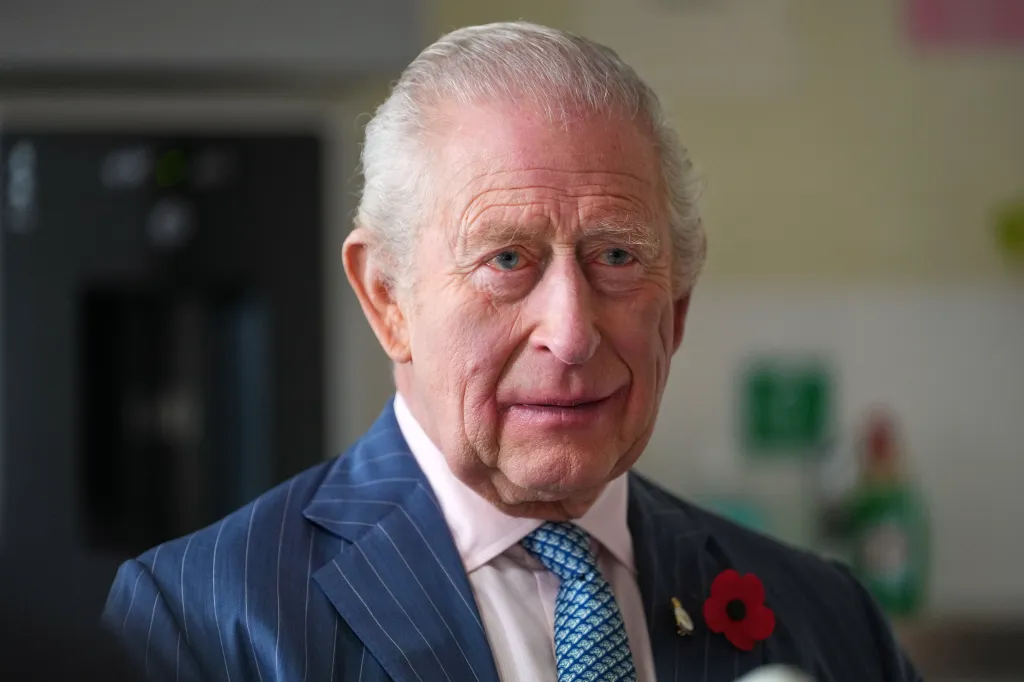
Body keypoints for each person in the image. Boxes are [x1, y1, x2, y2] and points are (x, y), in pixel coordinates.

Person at [103, 21, 922, 682]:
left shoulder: (827, 620)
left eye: (616, 256)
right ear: (387, 299)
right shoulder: (204, 623)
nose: (569, 334)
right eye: (506, 260)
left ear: (675, 307)